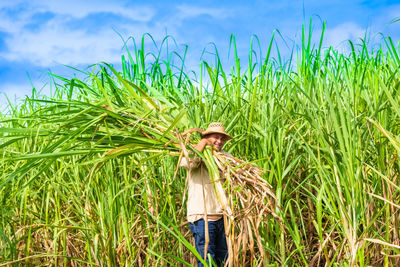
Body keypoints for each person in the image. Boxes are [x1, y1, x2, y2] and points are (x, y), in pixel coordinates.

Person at [180, 122, 232, 267]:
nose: (219, 141)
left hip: (222, 217)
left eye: (222, 139)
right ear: (207, 137)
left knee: (224, 260)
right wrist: (202, 143)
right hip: (202, 218)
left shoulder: (225, 157)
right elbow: (187, 163)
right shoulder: (196, 154)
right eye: (215, 137)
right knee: (207, 261)